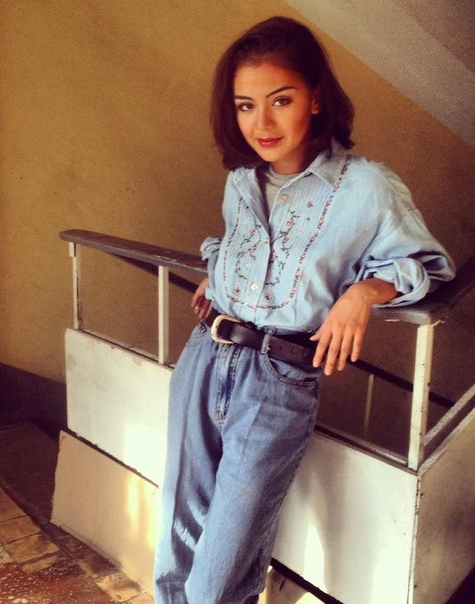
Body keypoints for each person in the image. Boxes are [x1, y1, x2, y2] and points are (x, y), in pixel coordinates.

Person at [153, 16, 455, 604]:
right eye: (245, 106)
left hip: (278, 377)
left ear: (315, 98)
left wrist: (363, 293)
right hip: (204, 354)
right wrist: (221, 273)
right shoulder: (242, 180)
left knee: (224, 558)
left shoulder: (367, 186)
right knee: (176, 533)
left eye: (280, 100)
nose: (261, 123)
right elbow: (235, 240)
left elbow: (428, 266)